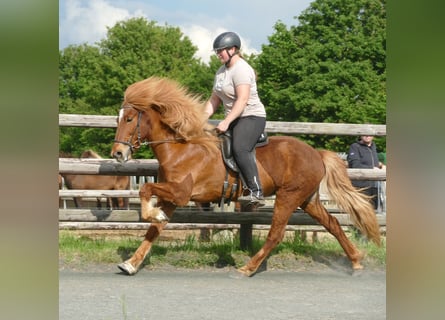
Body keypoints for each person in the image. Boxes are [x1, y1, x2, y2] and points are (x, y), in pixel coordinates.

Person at [204, 31, 267, 206]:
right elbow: (214, 99)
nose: (218, 54)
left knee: (240, 149)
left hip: (251, 116)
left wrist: (225, 122)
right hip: (234, 117)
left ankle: (256, 191)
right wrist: (200, 118)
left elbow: (243, 100)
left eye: (221, 51)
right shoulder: (221, 71)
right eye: (217, 51)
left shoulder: (242, 69)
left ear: (233, 49)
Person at [347, 135, 385, 210]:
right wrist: (372, 169)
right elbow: (355, 165)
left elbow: (374, 163)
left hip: (374, 186)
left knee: (375, 211)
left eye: (370, 134)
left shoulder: (373, 146)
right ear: (360, 135)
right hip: (361, 187)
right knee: (362, 212)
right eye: (365, 134)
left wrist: (381, 166)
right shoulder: (355, 147)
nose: (367, 136)